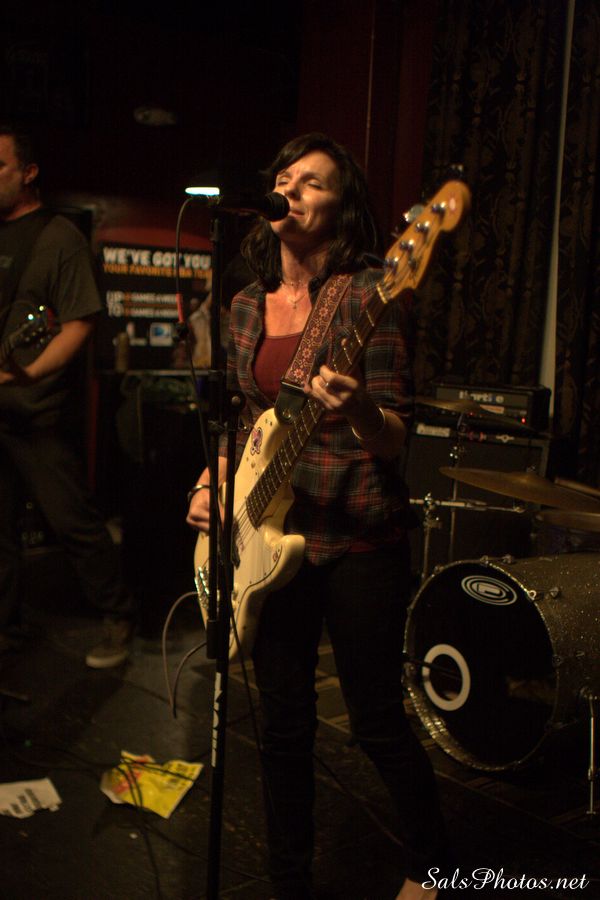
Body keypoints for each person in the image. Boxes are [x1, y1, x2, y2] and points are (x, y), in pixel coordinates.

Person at [186, 133, 447, 899]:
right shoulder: (244, 304)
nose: (291, 189)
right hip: (269, 539)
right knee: (282, 723)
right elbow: (244, 421)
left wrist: (359, 407)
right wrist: (211, 484)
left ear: (343, 207)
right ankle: (288, 879)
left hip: (359, 533)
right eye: (285, 177)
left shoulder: (371, 294)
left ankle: (436, 866)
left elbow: (395, 438)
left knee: (376, 719)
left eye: (314, 183)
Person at [0, 124, 137, 668]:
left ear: (28, 173)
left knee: (72, 522)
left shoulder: (58, 237)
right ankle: (6, 626)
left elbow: (79, 323)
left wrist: (27, 375)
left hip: (35, 413)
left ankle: (118, 615)